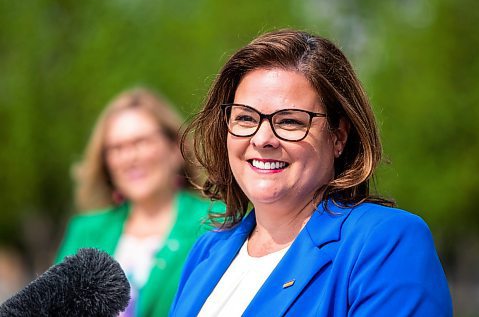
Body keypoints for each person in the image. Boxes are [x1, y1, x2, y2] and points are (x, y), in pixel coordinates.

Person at [169, 29, 453, 316]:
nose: (262, 138)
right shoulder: (208, 249)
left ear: (338, 136)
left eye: (290, 121)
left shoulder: (384, 242)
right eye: (245, 118)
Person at [56, 88, 219, 317]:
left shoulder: (215, 223)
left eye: (141, 142)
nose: (130, 158)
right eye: (117, 148)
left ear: (174, 148)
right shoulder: (85, 232)